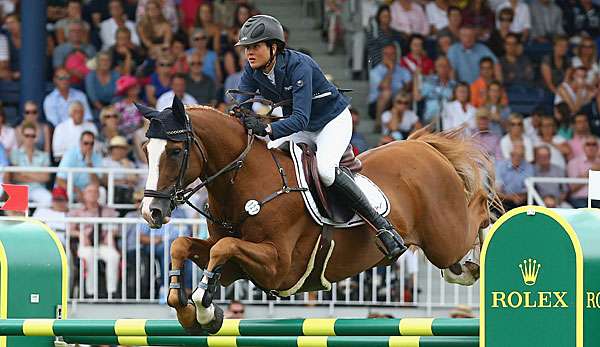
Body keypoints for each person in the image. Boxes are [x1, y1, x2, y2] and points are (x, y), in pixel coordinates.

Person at [234, 15, 406, 260]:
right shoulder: (253, 71)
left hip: (331, 122)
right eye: (246, 48)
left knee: (325, 170)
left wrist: (267, 128)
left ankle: (383, 228)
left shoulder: (299, 66)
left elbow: (301, 119)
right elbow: (240, 106)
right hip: (298, 125)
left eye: (255, 47)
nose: (249, 53)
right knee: (268, 155)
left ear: (274, 47)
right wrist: (240, 117)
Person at [69, 184, 120, 298]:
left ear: (98, 195)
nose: (92, 194)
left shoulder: (108, 211)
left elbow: (117, 228)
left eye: (95, 192)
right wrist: (80, 234)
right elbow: (70, 231)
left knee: (113, 256)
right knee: (89, 257)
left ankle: (112, 292)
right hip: (85, 245)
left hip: (103, 244)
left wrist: (111, 233)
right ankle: (90, 292)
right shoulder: (76, 212)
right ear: (84, 194)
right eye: (89, 191)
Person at [9, 122, 52, 206]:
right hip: (20, 188)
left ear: (36, 137)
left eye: (32, 136)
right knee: (14, 206)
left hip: (38, 188)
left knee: (49, 199)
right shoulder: (15, 153)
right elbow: (15, 176)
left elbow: (46, 177)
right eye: (27, 135)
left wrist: (25, 173)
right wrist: (37, 175)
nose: (30, 138)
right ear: (22, 136)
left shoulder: (43, 155)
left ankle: (35, 218)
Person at [56, 131, 103, 201]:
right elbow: (60, 180)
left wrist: (89, 164)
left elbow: (96, 183)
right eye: (86, 143)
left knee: (102, 191)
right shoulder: (70, 155)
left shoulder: (97, 157)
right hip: (69, 189)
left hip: (87, 191)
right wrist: (77, 190)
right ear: (80, 143)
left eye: (91, 144)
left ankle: (97, 212)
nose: (89, 146)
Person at [495, 142, 535, 210]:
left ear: (524, 156)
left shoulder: (529, 167)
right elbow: (497, 190)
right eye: (514, 155)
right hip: (504, 199)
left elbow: (529, 189)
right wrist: (512, 198)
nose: (517, 157)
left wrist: (522, 197)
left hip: (523, 200)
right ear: (511, 154)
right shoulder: (500, 166)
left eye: (520, 155)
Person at [567, 136, 600, 208]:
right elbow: (572, 188)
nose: (591, 147)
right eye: (588, 144)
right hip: (580, 198)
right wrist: (591, 172)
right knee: (586, 212)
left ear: (598, 147)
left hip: (598, 199)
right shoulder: (573, 163)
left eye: (594, 144)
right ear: (583, 147)